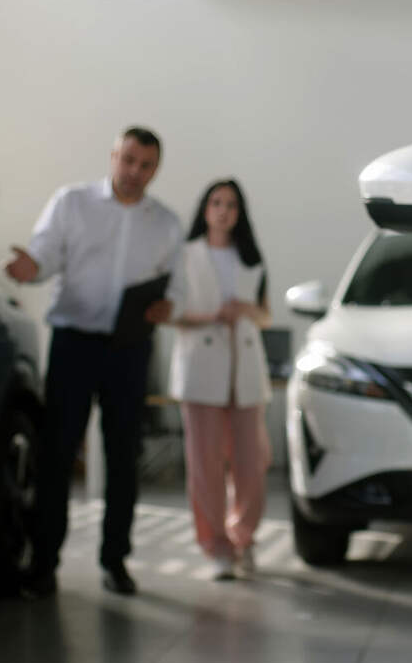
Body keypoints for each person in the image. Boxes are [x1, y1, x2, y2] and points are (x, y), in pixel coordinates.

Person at [4, 126, 184, 597]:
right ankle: (44, 561)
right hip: (74, 345)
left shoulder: (166, 224)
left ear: (156, 170)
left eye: (145, 165)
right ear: (113, 156)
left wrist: (168, 307)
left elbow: (178, 289)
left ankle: (115, 559)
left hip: (130, 349)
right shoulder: (72, 203)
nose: (134, 172)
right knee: (57, 452)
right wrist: (29, 268)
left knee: (124, 455)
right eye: (128, 160)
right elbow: (43, 255)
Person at [168, 179, 272, 580]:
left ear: (239, 212)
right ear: (205, 208)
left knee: (251, 463)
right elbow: (172, 313)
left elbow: (265, 315)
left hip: (244, 369)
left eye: (231, 204)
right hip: (201, 368)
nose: (223, 210)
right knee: (205, 465)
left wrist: (245, 310)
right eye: (216, 202)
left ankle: (244, 537)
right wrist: (213, 316)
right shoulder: (185, 255)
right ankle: (216, 546)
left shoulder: (251, 258)